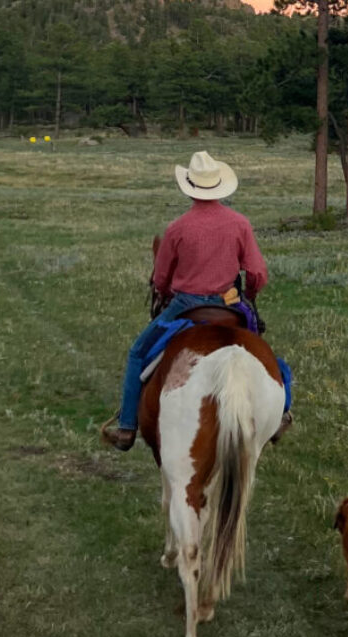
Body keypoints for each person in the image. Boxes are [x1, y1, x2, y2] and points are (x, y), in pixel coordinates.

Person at [101, 151, 269, 451]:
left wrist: (164, 292)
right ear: (219, 184)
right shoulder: (240, 224)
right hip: (229, 304)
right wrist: (250, 295)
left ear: (190, 186)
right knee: (264, 357)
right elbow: (256, 272)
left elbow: (162, 278)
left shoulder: (177, 228)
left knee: (138, 353)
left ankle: (127, 428)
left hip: (186, 306)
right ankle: (280, 413)